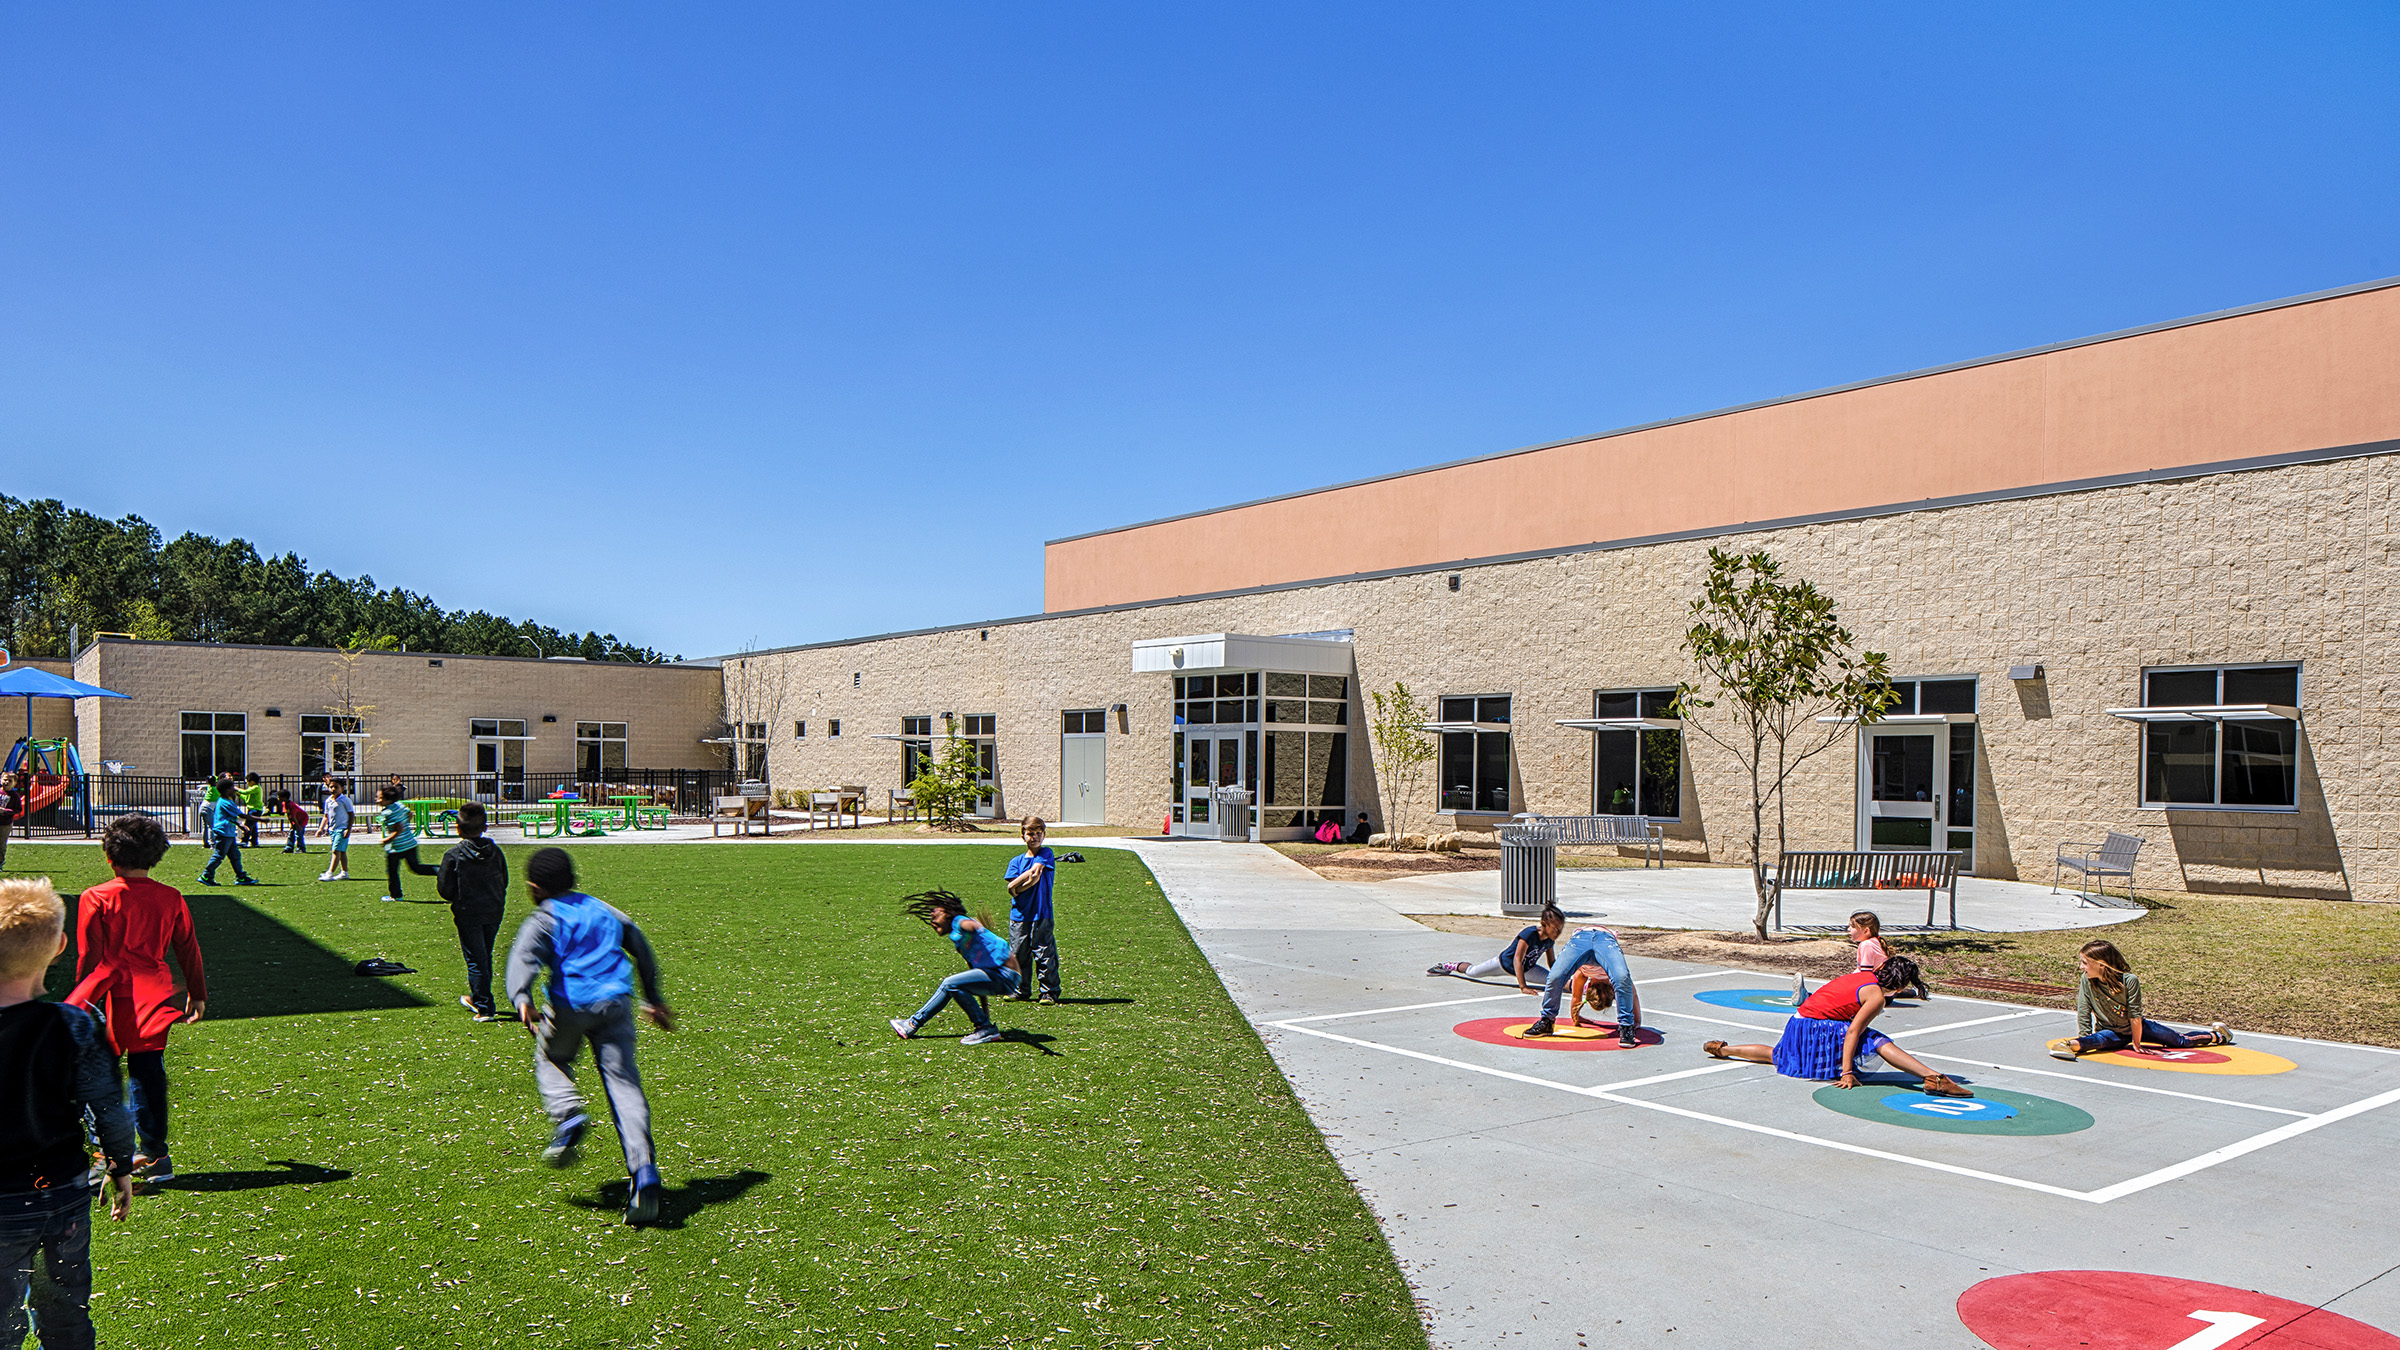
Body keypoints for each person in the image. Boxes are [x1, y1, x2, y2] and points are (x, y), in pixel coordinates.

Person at [0, 876, 139, 1350]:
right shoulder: (77, 1025)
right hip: (61, 1194)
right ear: (60, 945)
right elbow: (108, 1108)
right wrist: (119, 1164)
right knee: (65, 1311)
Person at [504, 847, 672, 1226]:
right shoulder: (602, 909)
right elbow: (639, 946)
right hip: (616, 1004)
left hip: (570, 1006)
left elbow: (523, 957)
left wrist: (522, 997)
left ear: (534, 887)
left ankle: (567, 1115)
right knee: (624, 1084)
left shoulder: (544, 917)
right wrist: (654, 998)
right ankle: (644, 1170)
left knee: (551, 1058)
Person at [68, 814, 208, 1181]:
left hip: (113, 995)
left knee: (103, 1077)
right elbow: (188, 947)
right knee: (148, 1074)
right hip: (153, 993)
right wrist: (197, 992)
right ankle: (156, 1156)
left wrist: (79, 1004)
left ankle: (109, 1154)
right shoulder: (170, 897)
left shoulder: (95, 897)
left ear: (109, 856)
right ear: (155, 856)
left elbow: (90, 958)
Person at [1702, 955, 1973, 1097]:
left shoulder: (1863, 976)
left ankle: (1725, 1050)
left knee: (1779, 1055)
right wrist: (1847, 1071)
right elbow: (1854, 1031)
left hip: (1798, 1023)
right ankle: (1934, 1077)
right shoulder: (1876, 997)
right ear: (1901, 986)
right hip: (1818, 1027)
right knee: (1876, 1040)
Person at [2046, 939, 2231, 1061]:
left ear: (2101, 965)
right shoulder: (2086, 981)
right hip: (2111, 1032)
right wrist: (2085, 1035)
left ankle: (2218, 1035)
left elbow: (2135, 1015)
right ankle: (2067, 1045)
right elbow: (2084, 1010)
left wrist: (2136, 1043)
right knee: (2098, 1041)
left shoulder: (2129, 981)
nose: (2081, 967)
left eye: (2085, 963)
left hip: (2139, 1028)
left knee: (2180, 1041)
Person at [890, 888, 1016, 1045]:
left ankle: (912, 1024)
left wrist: (977, 926)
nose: (932, 917)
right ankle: (983, 1027)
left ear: (948, 912)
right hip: (1000, 977)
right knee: (953, 986)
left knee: (949, 983)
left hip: (1004, 973)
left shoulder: (959, 922)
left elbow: (968, 924)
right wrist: (986, 1015)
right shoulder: (960, 941)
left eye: (936, 913)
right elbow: (975, 974)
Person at [438, 803, 510, 1022]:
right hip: (493, 909)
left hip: (468, 911)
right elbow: (504, 880)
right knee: (483, 955)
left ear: (457, 828)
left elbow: (444, 889)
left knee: (476, 959)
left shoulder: (454, 855)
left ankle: (484, 1006)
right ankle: (479, 996)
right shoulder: (495, 852)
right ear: (486, 827)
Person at [1002, 816, 1081, 1006]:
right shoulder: (1015, 861)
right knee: (1018, 952)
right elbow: (1020, 884)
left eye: (1039, 833)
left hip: (1041, 913)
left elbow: (1034, 876)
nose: (1035, 837)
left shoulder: (1046, 854)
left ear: (1044, 835)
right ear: (1023, 836)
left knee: (1044, 952)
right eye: (1030, 834)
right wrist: (1015, 886)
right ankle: (1020, 989)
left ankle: (1049, 991)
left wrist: (1014, 886)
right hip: (1019, 915)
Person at [1520, 925, 1643, 1046]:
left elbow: (1576, 997)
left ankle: (1547, 1020)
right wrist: (1634, 1021)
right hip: (1604, 938)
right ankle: (1626, 1027)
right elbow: (1631, 993)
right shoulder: (1600, 976)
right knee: (1622, 978)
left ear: (1588, 985)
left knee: (1555, 976)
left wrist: (1577, 1018)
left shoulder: (1583, 974)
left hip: (1584, 936)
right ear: (1589, 986)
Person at [1427, 904, 1563, 994]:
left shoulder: (1550, 940)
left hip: (1528, 969)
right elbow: (1517, 960)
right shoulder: (1529, 934)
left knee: (1557, 981)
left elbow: (1552, 963)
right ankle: (1449, 966)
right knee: (1473, 972)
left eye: (1560, 929)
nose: (1558, 933)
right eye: (1555, 928)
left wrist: (1563, 975)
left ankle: (1583, 987)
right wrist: (1523, 987)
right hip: (1503, 964)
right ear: (1544, 924)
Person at [376, 783, 439, 902]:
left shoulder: (388, 813)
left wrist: (387, 839)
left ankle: (396, 895)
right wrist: (404, 822)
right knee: (416, 868)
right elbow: (410, 814)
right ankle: (439, 870)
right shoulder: (399, 805)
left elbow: (398, 829)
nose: (377, 800)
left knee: (392, 871)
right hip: (410, 843)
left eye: (379, 798)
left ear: (388, 799)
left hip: (396, 848)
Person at [197, 773, 256, 886]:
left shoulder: (226, 801)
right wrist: (261, 819)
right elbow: (242, 815)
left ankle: (241, 877)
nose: (235, 790)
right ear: (227, 790)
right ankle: (206, 875)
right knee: (219, 855)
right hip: (223, 833)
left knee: (235, 855)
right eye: (232, 788)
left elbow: (229, 816)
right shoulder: (225, 802)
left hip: (228, 832)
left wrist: (239, 825)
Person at [320, 775, 355, 882]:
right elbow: (326, 816)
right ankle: (344, 872)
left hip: (342, 829)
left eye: (336, 787)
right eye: (331, 787)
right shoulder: (328, 801)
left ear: (342, 788)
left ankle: (330, 873)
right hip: (332, 829)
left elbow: (351, 815)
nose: (333, 789)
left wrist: (348, 829)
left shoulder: (345, 800)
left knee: (336, 851)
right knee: (342, 851)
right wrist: (321, 828)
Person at [0, 768, 25, 871]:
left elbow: (18, 809)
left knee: (1, 845)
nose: (6, 782)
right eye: (5, 779)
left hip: (5, 823)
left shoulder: (14, 796)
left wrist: (5, 811)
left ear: (14, 783)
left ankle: (0, 862)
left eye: (10, 781)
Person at [237, 772, 267, 848]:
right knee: (253, 827)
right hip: (252, 809)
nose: (247, 784)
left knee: (248, 825)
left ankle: (244, 841)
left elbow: (245, 792)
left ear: (252, 781)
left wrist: (236, 788)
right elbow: (245, 797)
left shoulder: (256, 787)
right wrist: (238, 794)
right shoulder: (252, 789)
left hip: (255, 810)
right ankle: (254, 842)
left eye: (248, 782)